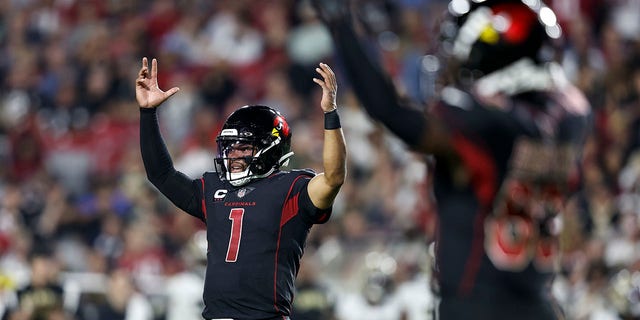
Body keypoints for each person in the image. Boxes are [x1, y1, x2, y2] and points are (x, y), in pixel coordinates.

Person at [311, 0, 592, 319]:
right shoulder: (570, 119)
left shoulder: (483, 126)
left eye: (466, 57)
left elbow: (390, 111)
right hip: (539, 306)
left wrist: (341, 25)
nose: (458, 69)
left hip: (476, 305)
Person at [135, 57, 346, 320]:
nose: (233, 155)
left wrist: (330, 114)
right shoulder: (214, 188)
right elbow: (161, 174)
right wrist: (147, 113)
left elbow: (334, 177)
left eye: (243, 147)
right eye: (230, 147)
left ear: (272, 148)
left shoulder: (291, 188)